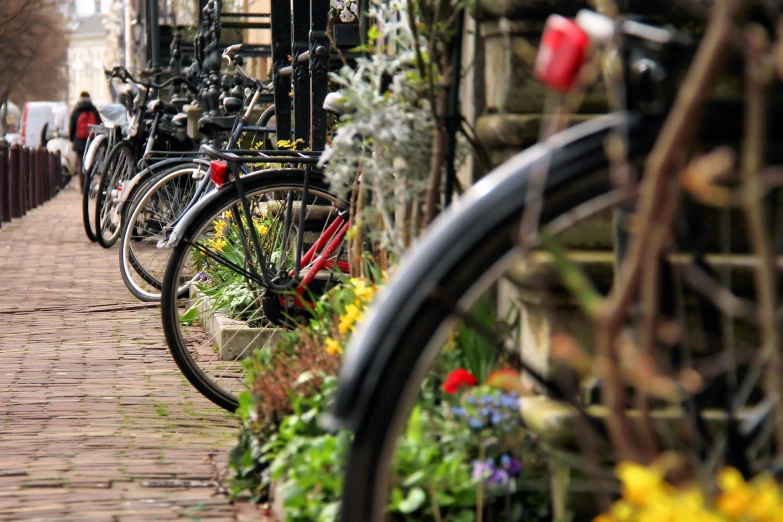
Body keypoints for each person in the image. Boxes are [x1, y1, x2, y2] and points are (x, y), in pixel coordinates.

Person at [69, 92, 101, 188]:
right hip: (92, 141)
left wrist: (72, 139)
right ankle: (89, 184)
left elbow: (72, 126)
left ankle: (82, 186)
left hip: (79, 141)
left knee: (80, 164)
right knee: (91, 162)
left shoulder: (76, 110)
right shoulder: (93, 109)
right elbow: (99, 125)